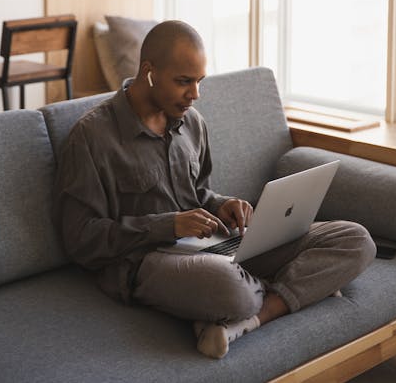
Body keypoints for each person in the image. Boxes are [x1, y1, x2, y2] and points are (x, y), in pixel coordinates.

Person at [53, 20, 376, 359]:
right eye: (184, 82)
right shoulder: (92, 137)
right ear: (148, 72)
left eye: (199, 81)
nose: (195, 94)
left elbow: (200, 194)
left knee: (354, 239)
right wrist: (169, 224)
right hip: (145, 261)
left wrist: (222, 205)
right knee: (231, 290)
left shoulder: (192, 122)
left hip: (213, 247)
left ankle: (248, 319)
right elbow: (81, 240)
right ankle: (292, 287)